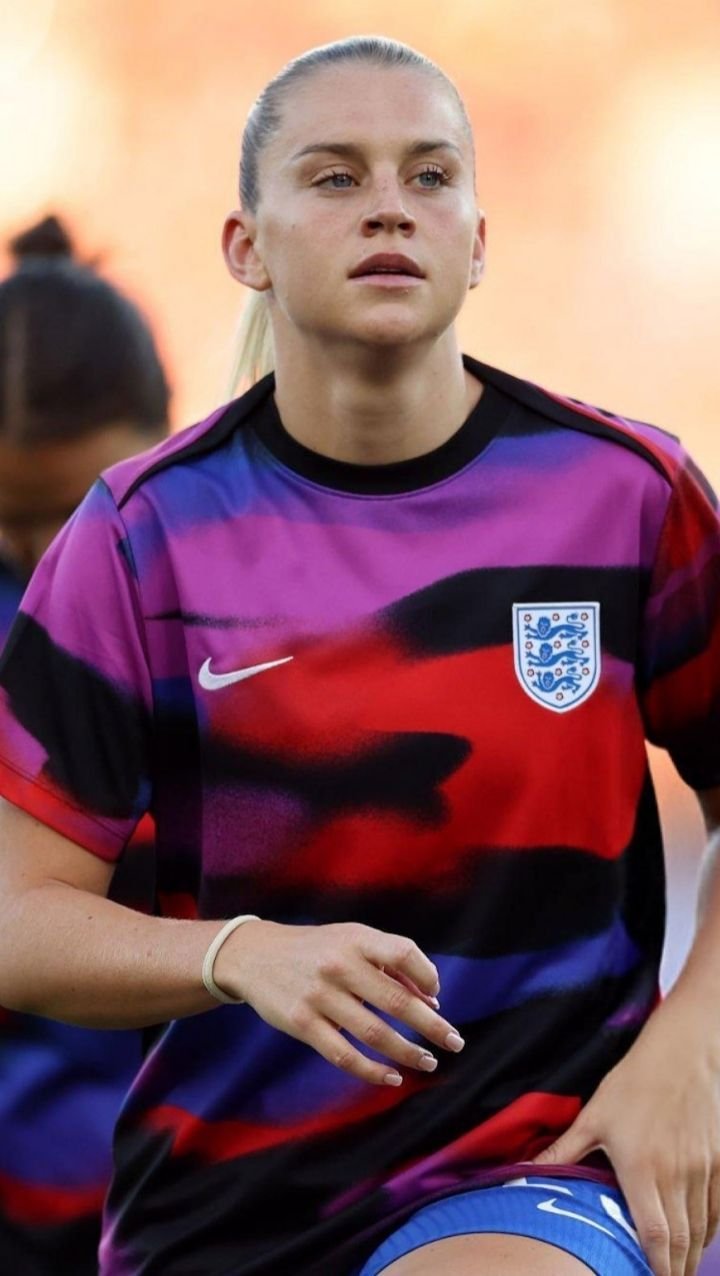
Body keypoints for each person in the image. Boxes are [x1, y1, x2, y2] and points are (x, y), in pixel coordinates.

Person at [0, 36, 717, 1276]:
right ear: (246, 247)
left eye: (429, 175)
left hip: (536, 1166)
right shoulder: (138, 537)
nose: (390, 204)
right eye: (335, 176)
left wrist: (692, 1045)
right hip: (219, 1212)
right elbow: (17, 917)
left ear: (479, 239)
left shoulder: (628, 496)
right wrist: (238, 954)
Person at [0, 213, 169, 1274]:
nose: (41, 555)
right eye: (8, 521)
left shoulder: (237, 607)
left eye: (74, 511)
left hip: (222, 1166)